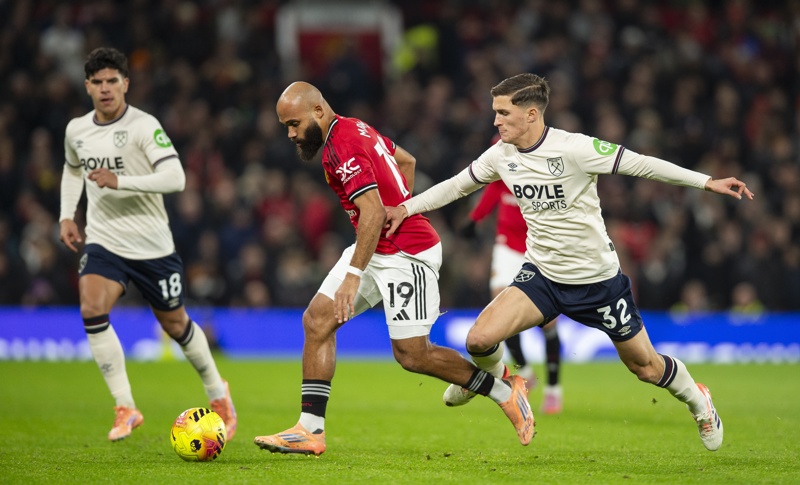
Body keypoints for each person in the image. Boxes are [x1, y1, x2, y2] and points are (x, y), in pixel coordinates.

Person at [386, 73, 755, 452]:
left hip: (597, 281)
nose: (495, 121)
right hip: (542, 275)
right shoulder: (501, 154)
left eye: (502, 113)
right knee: (479, 339)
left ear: (531, 114)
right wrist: (405, 207)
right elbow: (456, 185)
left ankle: (699, 401)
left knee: (646, 367)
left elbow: (643, 164)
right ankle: (500, 382)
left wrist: (707, 181)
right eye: (494, 112)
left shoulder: (575, 149)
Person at [253, 81, 534, 456]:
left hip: (407, 252)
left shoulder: (342, 145)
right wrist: (401, 206)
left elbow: (370, 210)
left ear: (317, 111)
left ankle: (505, 389)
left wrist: (355, 273)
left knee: (412, 355)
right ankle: (310, 429)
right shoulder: (356, 127)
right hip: (377, 244)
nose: (290, 134)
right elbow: (407, 161)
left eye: (293, 123)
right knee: (317, 321)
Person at [59, 47, 237, 442]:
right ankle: (125, 406)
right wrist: (67, 214)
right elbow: (73, 169)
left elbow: (176, 178)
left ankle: (217, 392)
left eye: (112, 81)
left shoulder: (144, 126)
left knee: (175, 324)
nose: (105, 89)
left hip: (152, 244)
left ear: (126, 83)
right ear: (87, 86)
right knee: (91, 305)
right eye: (98, 82)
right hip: (104, 240)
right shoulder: (77, 130)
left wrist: (120, 182)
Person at [455, 178, 564, 415]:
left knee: (549, 322)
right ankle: (525, 372)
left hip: (537, 249)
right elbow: (494, 187)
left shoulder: (541, 166)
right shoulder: (503, 154)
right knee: (500, 306)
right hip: (507, 244)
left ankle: (554, 388)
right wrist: (475, 218)